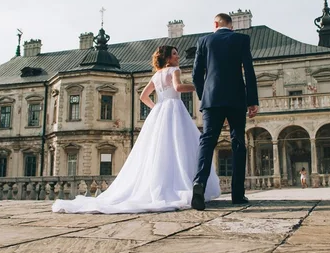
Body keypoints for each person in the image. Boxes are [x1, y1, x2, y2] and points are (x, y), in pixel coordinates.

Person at [52, 46, 221, 214]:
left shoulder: (156, 75)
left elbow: (143, 96)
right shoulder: (174, 70)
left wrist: (156, 107)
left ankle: (164, 186)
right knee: (180, 147)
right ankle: (182, 185)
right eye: (175, 54)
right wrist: (202, 86)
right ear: (168, 58)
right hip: (175, 108)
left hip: (161, 111)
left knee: (159, 150)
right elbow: (177, 88)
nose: (178, 57)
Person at [191, 13, 259, 211]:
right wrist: (252, 100)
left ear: (215, 23)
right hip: (237, 98)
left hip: (212, 99)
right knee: (238, 142)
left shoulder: (204, 41)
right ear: (231, 25)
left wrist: (205, 96)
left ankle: (199, 184)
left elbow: (196, 74)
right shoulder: (241, 39)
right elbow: (249, 70)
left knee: (207, 141)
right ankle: (238, 194)